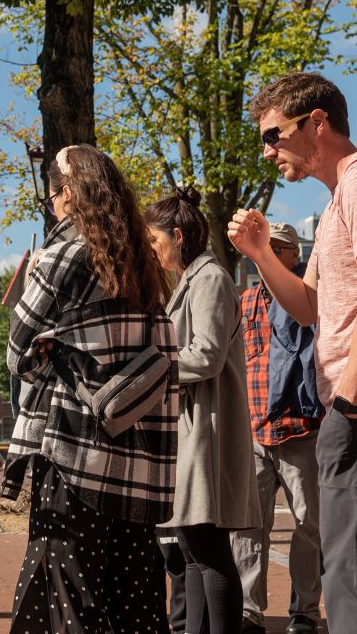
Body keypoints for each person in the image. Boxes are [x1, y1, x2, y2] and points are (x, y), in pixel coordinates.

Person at [228, 71, 357, 634]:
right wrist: (260, 254)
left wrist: (345, 404)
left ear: (316, 123)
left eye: (274, 135)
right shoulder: (342, 195)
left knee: (351, 574)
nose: (267, 151)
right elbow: (309, 307)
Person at [0, 144, 180, 634]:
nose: (52, 204)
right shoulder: (143, 260)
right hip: (140, 453)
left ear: (69, 196)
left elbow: (16, 352)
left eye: (54, 195)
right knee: (134, 590)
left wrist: (50, 351)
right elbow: (166, 351)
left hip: (76, 448)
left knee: (67, 587)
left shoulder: (64, 254)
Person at [145, 189, 261, 634]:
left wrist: (152, 363)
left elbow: (207, 355)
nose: (155, 254)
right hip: (193, 429)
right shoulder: (195, 279)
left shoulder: (210, 279)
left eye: (156, 243)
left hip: (205, 432)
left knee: (208, 553)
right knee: (193, 551)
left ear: (178, 235)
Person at [231, 222, 322, 634]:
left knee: (309, 524)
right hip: (253, 430)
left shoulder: (310, 294)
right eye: (264, 247)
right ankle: (249, 608)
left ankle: (304, 611)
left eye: (277, 248)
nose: (267, 253)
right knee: (250, 523)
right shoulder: (245, 300)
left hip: (301, 429)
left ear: (292, 255)